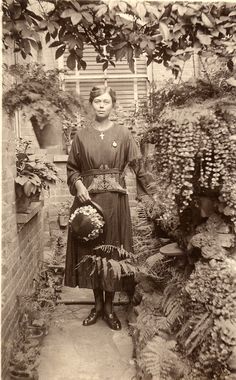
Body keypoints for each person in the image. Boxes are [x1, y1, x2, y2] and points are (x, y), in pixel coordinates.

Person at [65, 85, 156, 330]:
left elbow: (139, 168)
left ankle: (109, 308)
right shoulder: (81, 136)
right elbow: (72, 168)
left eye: (106, 101)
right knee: (92, 252)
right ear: (91, 104)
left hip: (116, 202)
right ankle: (97, 306)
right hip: (88, 203)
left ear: (113, 105)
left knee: (113, 252)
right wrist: (78, 185)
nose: (102, 105)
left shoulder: (124, 134)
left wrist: (154, 198)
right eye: (97, 101)